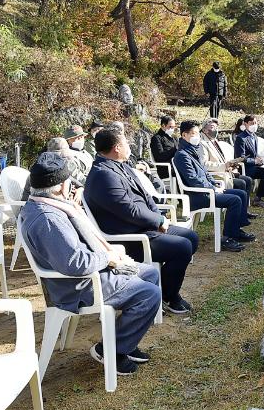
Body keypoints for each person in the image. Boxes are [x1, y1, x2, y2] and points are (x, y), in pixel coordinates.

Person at [19, 152, 160, 376]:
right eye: (68, 181)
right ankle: (109, 350)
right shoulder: (48, 218)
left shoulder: (51, 206)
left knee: (150, 274)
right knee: (149, 293)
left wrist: (75, 210)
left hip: (86, 275)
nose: (72, 185)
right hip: (77, 286)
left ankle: (124, 342)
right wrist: (108, 258)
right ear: (58, 187)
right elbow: (74, 263)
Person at [84, 128, 196, 314]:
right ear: (117, 148)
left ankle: (164, 286)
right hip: (129, 236)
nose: (130, 146)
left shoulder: (121, 165)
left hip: (144, 226)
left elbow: (146, 197)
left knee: (191, 237)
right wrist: (157, 220)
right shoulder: (103, 174)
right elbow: (128, 210)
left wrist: (158, 218)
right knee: (182, 247)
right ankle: (168, 296)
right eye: (126, 143)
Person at [174, 120, 254, 251]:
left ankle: (236, 231)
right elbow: (193, 180)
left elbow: (205, 173)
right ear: (184, 135)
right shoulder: (182, 155)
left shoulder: (191, 151)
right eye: (193, 134)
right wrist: (213, 188)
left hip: (206, 190)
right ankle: (227, 238)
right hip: (198, 195)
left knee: (241, 193)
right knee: (235, 200)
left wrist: (214, 183)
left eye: (197, 134)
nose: (197, 137)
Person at [198, 118, 254, 195]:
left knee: (248, 180)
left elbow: (221, 159)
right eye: (212, 127)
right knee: (241, 183)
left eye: (216, 127)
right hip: (217, 175)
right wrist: (224, 166)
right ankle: (236, 204)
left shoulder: (214, 141)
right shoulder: (202, 144)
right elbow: (204, 164)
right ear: (204, 130)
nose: (215, 130)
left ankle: (244, 206)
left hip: (227, 173)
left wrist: (231, 164)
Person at [234, 114, 264, 207]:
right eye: (251, 123)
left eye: (255, 123)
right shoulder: (240, 138)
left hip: (255, 165)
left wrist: (258, 158)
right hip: (245, 167)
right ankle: (258, 199)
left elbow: (253, 153)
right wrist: (254, 161)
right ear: (245, 124)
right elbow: (240, 157)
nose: (254, 125)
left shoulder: (254, 136)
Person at [149, 115, 177, 180]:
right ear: (163, 125)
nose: (172, 129)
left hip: (175, 165)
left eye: (173, 127)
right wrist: (174, 150)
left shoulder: (174, 138)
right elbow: (159, 156)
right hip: (166, 168)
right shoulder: (156, 138)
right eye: (170, 127)